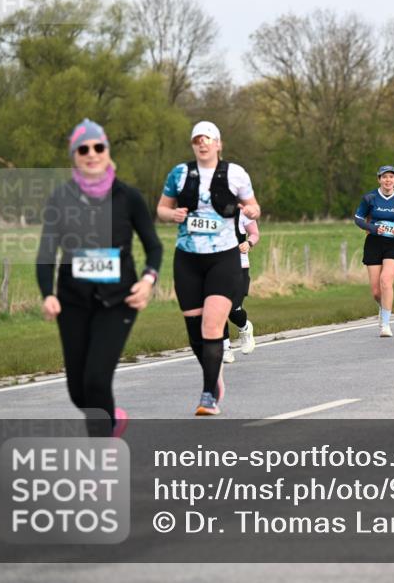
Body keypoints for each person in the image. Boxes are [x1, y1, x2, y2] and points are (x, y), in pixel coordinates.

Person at [37, 119, 162, 437]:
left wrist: (148, 281)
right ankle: (111, 420)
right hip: (73, 301)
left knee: (96, 380)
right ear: (74, 156)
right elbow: (47, 252)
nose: (91, 153)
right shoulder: (61, 199)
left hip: (119, 301)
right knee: (79, 392)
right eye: (83, 149)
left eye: (98, 147)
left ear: (106, 151)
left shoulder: (128, 197)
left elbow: (154, 247)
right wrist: (47, 294)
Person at [157, 121, 260, 416]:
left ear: (218, 144)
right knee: (194, 331)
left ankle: (208, 394)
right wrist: (171, 214)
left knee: (212, 326)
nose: (202, 144)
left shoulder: (235, 173)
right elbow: (162, 208)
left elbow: (253, 207)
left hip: (223, 258)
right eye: (197, 140)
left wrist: (251, 211)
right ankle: (214, 376)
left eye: (208, 139)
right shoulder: (179, 173)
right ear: (193, 145)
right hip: (188, 259)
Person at [354, 165, 394, 337]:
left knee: (386, 280)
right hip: (374, 242)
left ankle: (386, 325)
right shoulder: (369, 198)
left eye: (391, 177)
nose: (388, 180)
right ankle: (383, 307)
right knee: (376, 291)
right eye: (384, 177)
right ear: (379, 179)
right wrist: (373, 228)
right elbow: (358, 219)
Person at [222, 211, 259, 363]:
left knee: (233, 309)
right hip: (216, 267)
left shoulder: (243, 212)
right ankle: (225, 349)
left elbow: (255, 233)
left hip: (239, 266)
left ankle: (244, 328)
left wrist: (248, 243)